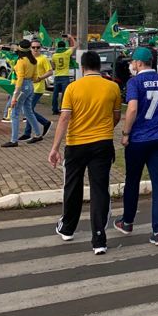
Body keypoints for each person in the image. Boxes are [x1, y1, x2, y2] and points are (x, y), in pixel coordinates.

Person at [49, 50, 121, 255]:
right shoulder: (112, 87)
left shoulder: (73, 88)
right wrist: (105, 129)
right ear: (99, 66)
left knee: (72, 186)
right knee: (99, 190)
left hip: (76, 144)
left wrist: (54, 148)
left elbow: (64, 119)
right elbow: (116, 116)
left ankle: (67, 228)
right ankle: (99, 238)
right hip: (103, 144)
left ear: (82, 67)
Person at [114, 47, 158, 245]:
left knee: (132, 180)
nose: (131, 65)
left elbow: (132, 108)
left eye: (132, 62)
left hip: (138, 139)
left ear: (139, 63)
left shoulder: (134, 82)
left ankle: (127, 221)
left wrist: (125, 133)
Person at [19, 40, 52, 140]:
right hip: (29, 87)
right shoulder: (28, 59)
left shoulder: (43, 59)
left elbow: (50, 72)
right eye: (33, 47)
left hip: (38, 88)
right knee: (29, 110)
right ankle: (30, 131)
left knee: (29, 110)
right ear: (30, 48)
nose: (36, 49)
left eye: (38, 47)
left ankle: (43, 124)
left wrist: (40, 78)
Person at [50, 37, 76, 115]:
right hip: (65, 76)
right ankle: (62, 109)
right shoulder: (66, 53)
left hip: (57, 76)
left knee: (55, 94)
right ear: (65, 46)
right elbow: (75, 46)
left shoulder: (54, 55)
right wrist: (71, 38)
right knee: (64, 94)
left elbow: (53, 66)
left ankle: (54, 109)